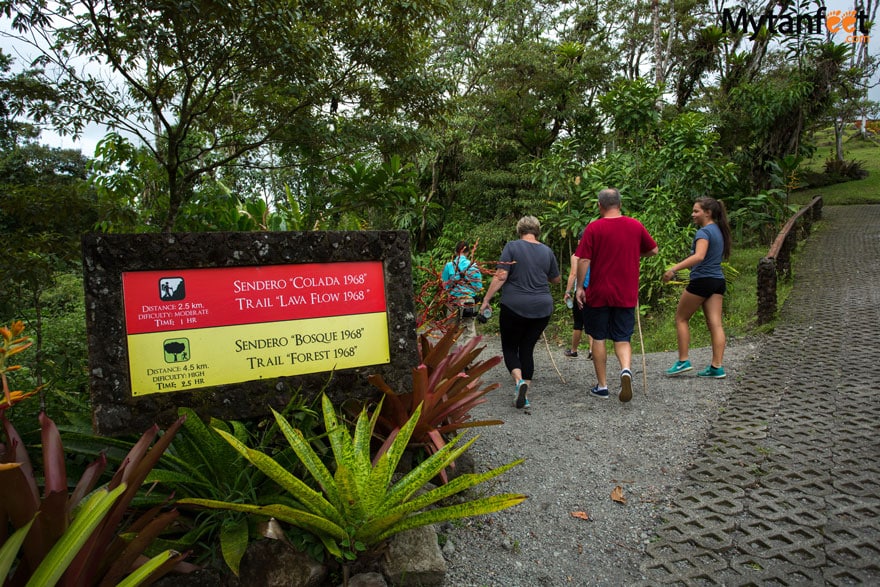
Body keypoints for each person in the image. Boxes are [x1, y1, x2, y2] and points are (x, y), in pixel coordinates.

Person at [575, 188, 658, 403]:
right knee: (622, 336)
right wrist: (632, 252)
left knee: (599, 337)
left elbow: (583, 260)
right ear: (620, 204)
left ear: (599, 206)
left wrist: (580, 288)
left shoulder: (594, 228)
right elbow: (653, 250)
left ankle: (602, 386)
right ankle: (626, 370)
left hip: (599, 291)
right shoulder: (635, 225)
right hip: (626, 291)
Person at [480, 216, 561, 409]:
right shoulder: (547, 251)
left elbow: (501, 276)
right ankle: (524, 395)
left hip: (514, 306)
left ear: (519, 230)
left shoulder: (512, 247)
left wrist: (486, 299)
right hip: (542, 308)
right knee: (527, 348)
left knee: (510, 347)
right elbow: (556, 279)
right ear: (537, 231)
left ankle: (519, 383)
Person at [662, 197, 732, 379]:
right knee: (715, 324)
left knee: (681, 318)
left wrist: (673, 269)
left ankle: (683, 361)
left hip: (702, 280)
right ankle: (717, 366)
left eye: (696, 211)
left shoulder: (704, 232)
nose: (693, 215)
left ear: (707, 213)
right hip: (718, 280)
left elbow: (699, 256)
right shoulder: (719, 230)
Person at [441, 241, 483, 346]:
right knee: (468, 328)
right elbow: (478, 287)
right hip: (468, 300)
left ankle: (451, 357)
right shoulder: (473, 266)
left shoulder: (449, 265)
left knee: (450, 330)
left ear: (456, 252)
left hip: (452, 300)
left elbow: (444, 286)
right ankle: (466, 357)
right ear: (468, 252)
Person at [563, 252, 592, 359]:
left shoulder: (576, 255)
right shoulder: (597, 252)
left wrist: (567, 292)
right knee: (591, 321)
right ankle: (592, 350)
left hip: (581, 290)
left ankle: (574, 350)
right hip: (594, 290)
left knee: (578, 322)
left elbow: (573, 274)